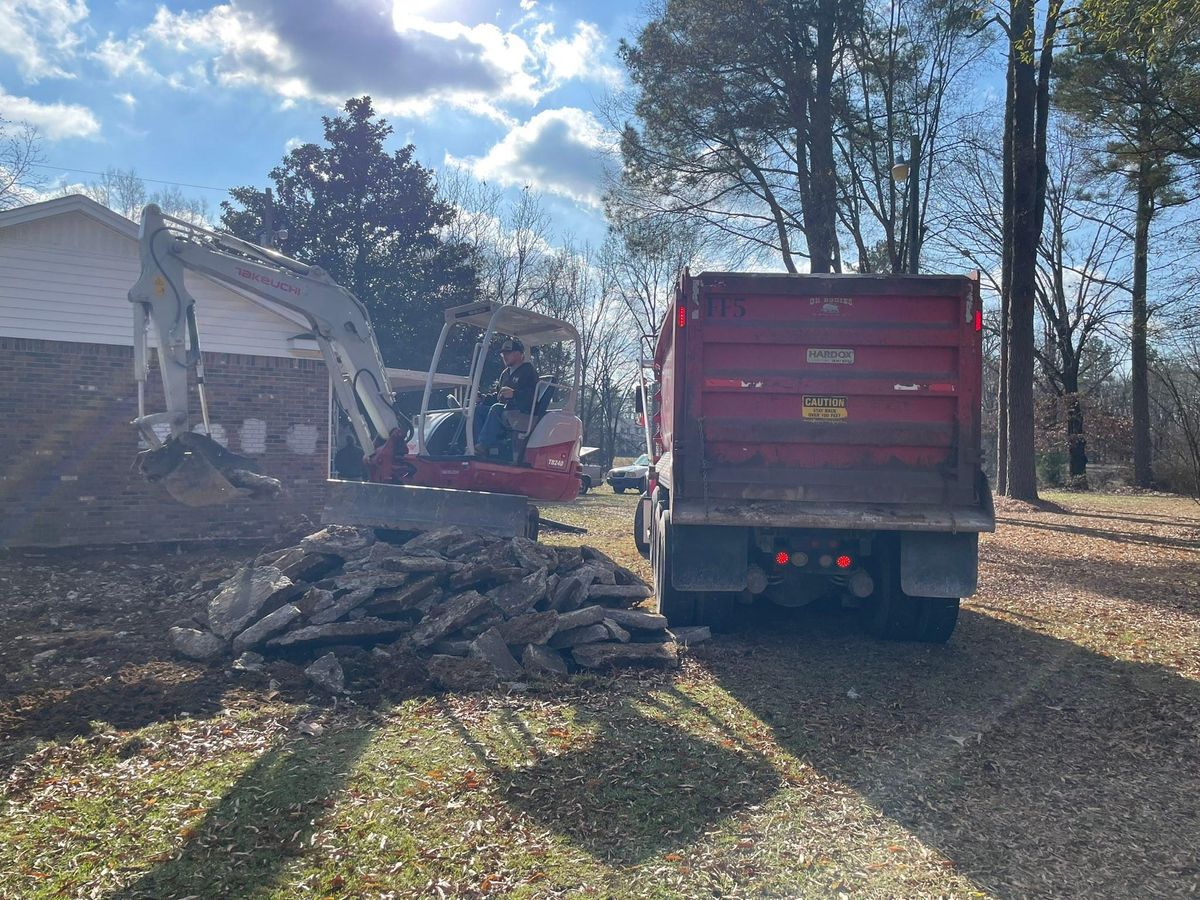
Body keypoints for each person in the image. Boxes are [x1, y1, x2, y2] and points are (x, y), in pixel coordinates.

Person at [474, 338, 539, 456]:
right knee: (478, 410)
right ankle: (476, 445)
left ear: (519, 354)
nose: (504, 356)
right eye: (503, 354)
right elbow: (498, 395)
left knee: (496, 408)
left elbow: (533, 395)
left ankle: (483, 445)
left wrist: (514, 394)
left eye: (508, 353)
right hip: (504, 409)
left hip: (522, 411)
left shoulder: (528, 371)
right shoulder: (505, 374)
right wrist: (482, 398)